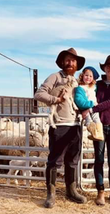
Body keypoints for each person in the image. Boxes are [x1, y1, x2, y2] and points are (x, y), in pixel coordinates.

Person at [34, 48, 87, 209]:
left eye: (73, 60)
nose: (70, 63)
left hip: (75, 126)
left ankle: (71, 191)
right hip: (59, 125)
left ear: (77, 64)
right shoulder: (55, 77)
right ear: (63, 62)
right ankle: (51, 194)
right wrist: (56, 99)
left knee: (72, 160)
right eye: (68, 60)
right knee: (55, 160)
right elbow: (39, 94)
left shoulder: (77, 82)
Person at [82, 55, 110, 205]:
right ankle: (100, 191)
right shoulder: (98, 84)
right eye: (108, 66)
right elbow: (86, 92)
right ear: (104, 68)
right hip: (99, 126)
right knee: (99, 160)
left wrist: (92, 108)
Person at [74, 66, 104, 141]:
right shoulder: (80, 88)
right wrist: (91, 104)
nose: (88, 77)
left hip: (94, 107)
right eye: (86, 75)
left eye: (91, 76)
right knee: (88, 120)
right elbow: (79, 100)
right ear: (82, 76)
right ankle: (95, 133)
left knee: (97, 119)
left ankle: (99, 134)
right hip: (86, 107)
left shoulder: (94, 87)